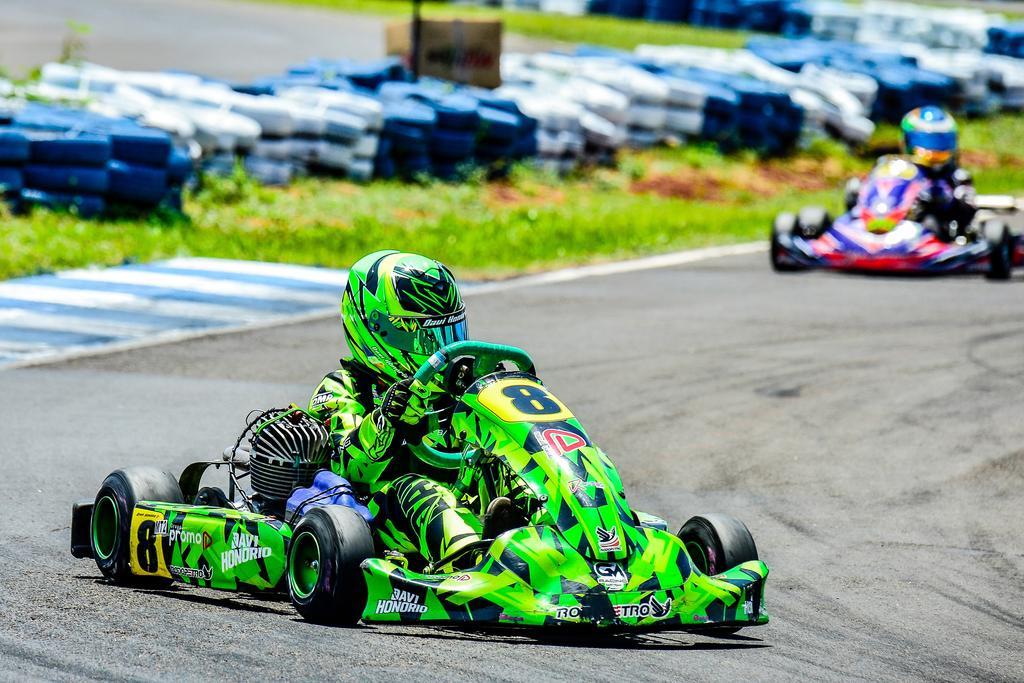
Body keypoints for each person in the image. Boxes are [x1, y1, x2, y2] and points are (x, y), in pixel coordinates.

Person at [306, 250, 514, 570]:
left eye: (448, 333)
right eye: (421, 336)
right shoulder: (343, 387)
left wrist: (500, 393)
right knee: (418, 489)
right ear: (377, 330)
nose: (437, 350)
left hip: (467, 502)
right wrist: (387, 420)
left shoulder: (460, 385)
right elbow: (345, 462)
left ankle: (584, 544)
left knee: (509, 468)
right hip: (379, 518)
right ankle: (474, 562)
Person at [845, 106, 976, 239]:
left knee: (931, 221)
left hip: (928, 228)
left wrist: (938, 198)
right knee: (854, 187)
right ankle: (859, 228)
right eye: (925, 141)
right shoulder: (890, 165)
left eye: (939, 143)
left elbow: (964, 211)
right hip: (889, 216)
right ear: (907, 141)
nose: (933, 152)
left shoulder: (955, 176)